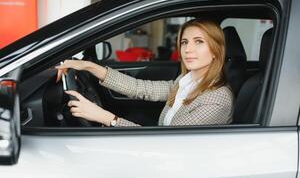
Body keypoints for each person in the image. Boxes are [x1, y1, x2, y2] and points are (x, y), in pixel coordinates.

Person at [56, 19, 234, 127]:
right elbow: (139, 88)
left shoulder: (217, 98)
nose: (188, 49)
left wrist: (106, 118)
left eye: (199, 42)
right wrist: (89, 66)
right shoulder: (186, 81)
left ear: (215, 51)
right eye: (184, 42)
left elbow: (167, 142)